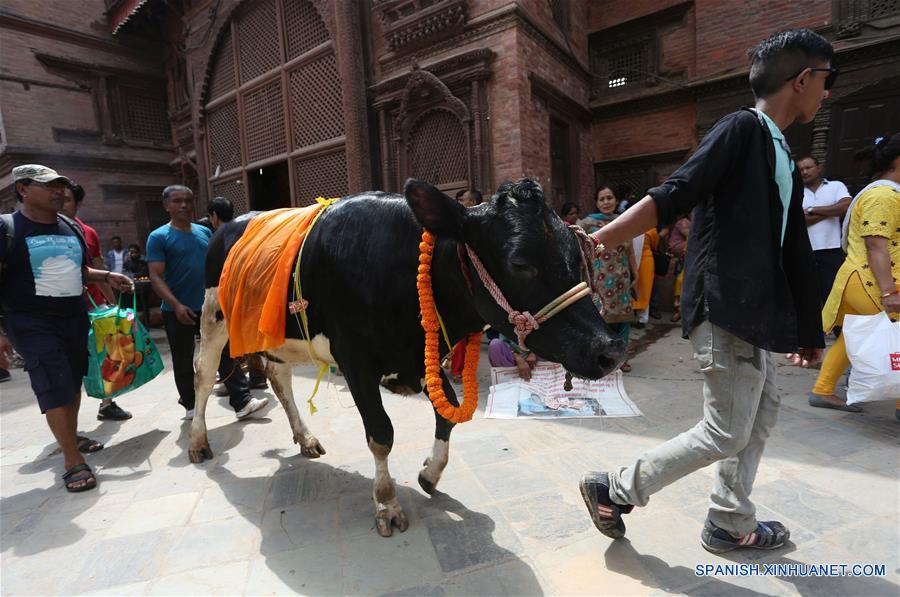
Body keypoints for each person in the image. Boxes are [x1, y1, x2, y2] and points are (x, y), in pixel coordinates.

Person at [577, 29, 830, 553]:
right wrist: (599, 239)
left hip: (755, 311)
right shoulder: (742, 128)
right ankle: (616, 488)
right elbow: (676, 192)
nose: (827, 93)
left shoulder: (781, 150)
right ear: (803, 79)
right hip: (727, 305)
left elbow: (792, 251)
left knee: (760, 414)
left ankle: (730, 520)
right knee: (726, 430)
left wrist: (807, 330)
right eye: (827, 80)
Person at [0, 165, 134, 492]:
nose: (60, 192)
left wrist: (104, 277)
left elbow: (77, 267)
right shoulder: (7, 228)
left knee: (72, 381)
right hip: (30, 322)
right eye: (49, 186)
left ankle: (68, 437)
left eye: (61, 186)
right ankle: (72, 460)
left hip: (73, 317)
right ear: (23, 189)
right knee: (54, 381)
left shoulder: (70, 226)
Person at [147, 186, 267, 420]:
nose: (183, 205)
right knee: (183, 360)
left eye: (188, 200)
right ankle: (191, 405)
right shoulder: (158, 237)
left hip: (210, 307)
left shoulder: (205, 232)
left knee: (225, 352)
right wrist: (177, 305)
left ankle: (242, 402)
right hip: (177, 311)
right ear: (166, 206)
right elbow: (155, 276)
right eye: (177, 201)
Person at [808, 134, 900, 415]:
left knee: (853, 336)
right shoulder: (883, 195)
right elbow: (876, 244)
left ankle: (822, 390)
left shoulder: (883, 192)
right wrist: (890, 292)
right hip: (871, 282)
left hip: (858, 280)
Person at [59, 183, 131, 421]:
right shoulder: (44, 232)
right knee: (69, 365)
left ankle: (107, 403)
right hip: (61, 311)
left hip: (94, 306)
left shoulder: (88, 232)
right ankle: (69, 423)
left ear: (78, 204)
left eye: (66, 200)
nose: (59, 204)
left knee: (106, 356)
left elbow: (99, 271)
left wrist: (112, 305)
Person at [196, 196, 268, 392]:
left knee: (229, 343)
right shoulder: (246, 230)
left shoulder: (219, 238)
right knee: (254, 336)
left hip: (232, 297)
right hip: (255, 293)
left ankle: (234, 383)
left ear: (214, 216)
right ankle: (258, 376)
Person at [578, 186, 638, 373]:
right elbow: (578, 248)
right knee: (602, 319)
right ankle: (602, 358)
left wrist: (635, 274)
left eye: (609, 198)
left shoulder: (624, 222)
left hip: (622, 279)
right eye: (602, 199)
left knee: (623, 321)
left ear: (616, 200)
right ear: (596, 203)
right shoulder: (587, 223)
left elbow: (629, 250)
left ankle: (621, 359)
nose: (606, 202)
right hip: (599, 281)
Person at [798, 155, 852, 305]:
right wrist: (832, 210)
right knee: (808, 297)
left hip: (832, 250)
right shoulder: (796, 191)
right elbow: (799, 220)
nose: (804, 172)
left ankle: (833, 328)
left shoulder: (836, 186)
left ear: (819, 168)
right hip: (806, 251)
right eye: (801, 169)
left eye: (808, 167)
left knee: (834, 295)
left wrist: (811, 209)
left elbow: (847, 206)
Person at [667, 216, 691, 322]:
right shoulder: (683, 222)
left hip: (688, 260)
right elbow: (691, 236)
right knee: (681, 280)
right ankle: (678, 309)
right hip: (684, 258)